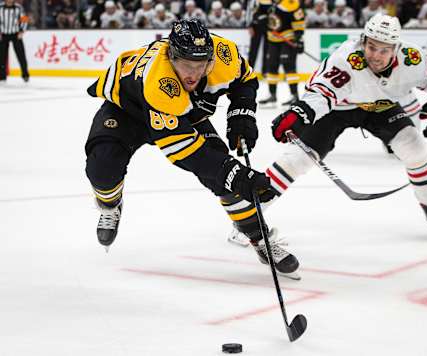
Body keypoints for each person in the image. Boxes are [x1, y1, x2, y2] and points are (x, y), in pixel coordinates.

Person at [84, 19, 300, 278]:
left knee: (224, 177)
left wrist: (241, 116)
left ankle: (258, 236)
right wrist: (235, 173)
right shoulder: (159, 81)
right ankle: (110, 206)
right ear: (171, 56)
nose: (193, 74)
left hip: (182, 111)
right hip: (127, 110)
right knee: (102, 167)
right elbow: (183, 150)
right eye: (186, 65)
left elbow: (245, 80)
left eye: (201, 65)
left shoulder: (224, 55)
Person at [233, 14, 427, 242]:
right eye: (371, 47)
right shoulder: (346, 58)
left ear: (396, 48)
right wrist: (300, 112)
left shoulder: (412, 59)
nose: (376, 56)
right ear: (363, 40)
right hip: (337, 109)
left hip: (381, 107)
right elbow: (321, 93)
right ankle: (247, 219)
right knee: (296, 160)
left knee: (415, 148)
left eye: (384, 50)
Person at [258, 0, 305, 107]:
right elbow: (258, 13)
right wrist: (261, 20)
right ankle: (272, 95)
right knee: (272, 66)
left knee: (288, 65)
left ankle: (294, 95)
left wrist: (298, 38)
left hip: (288, 39)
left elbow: (299, 20)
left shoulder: (291, 3)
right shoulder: (264, 1)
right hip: (272, 39)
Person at [0, 0, 29, 83]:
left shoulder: (18, 7)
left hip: (16, 34)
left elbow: (24, 19)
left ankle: (25, 75)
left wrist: (22, 31)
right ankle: (2, 76)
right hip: (3, 34)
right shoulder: (0, 7)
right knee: (1, 56)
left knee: (21, 55)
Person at [247, 0, 270, 76]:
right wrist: (249, 25)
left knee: (267, 50)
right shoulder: (254, 1)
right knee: (253, 50)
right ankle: (249, 70)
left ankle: (265, 71)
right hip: (256, 26)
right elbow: (249, 11)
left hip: (268, 26)